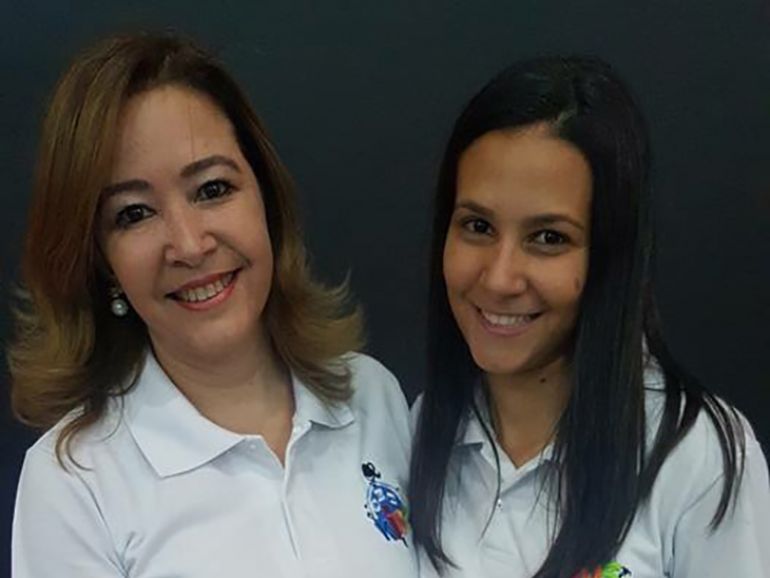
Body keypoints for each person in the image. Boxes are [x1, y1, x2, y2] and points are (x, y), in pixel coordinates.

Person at [9, 33, 417, 577]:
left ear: (265, 196)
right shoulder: (74, 483)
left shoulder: (371, 397)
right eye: (134, 214)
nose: (189, 245)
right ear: (101, 260)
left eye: (212, 189)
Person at [408, 56, 769, 578]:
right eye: (478, 226)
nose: (500, 278)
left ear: (610, 254)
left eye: (548, 237)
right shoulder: (421, 431)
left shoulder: (698, 458)